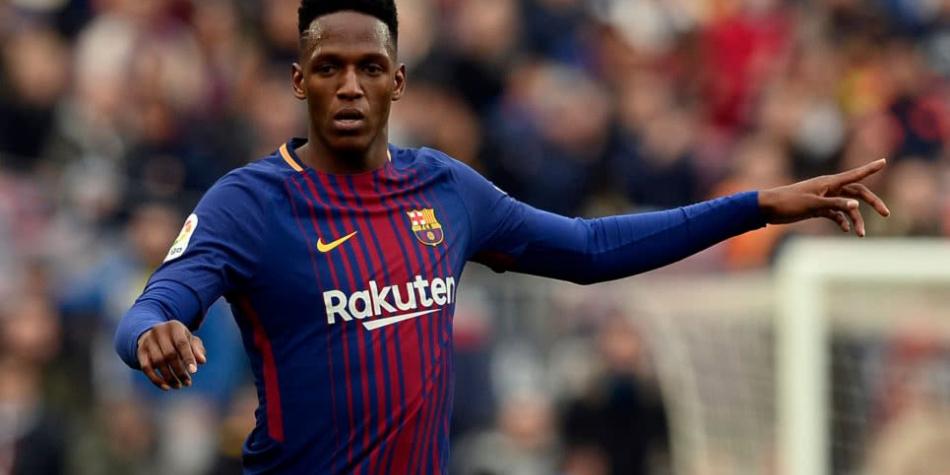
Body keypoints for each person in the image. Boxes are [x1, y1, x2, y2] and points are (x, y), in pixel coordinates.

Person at [113, 0, 891, 473]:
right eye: (328, 68)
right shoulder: (248, 203)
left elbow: (589, 249)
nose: (349, 86)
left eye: (370, 67)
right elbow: (153, 303)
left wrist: (755, 205)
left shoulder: (445, 190)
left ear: (398, 80)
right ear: (298, 80)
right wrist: (154, 330)